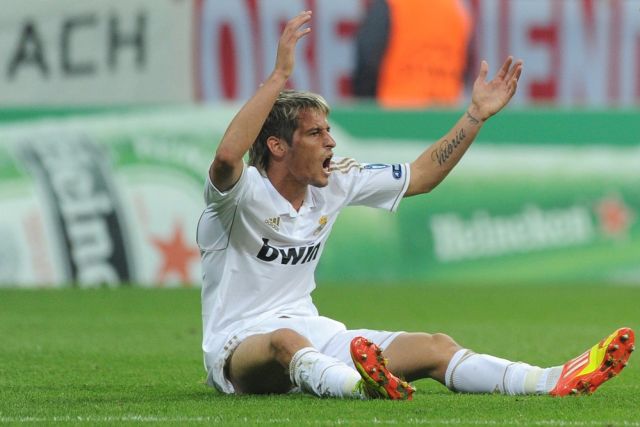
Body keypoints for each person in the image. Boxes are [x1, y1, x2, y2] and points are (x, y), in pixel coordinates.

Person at [197, 11, 634, 399]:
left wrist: (475, 116)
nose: (330, 141)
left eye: (328, 130)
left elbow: (421, 175)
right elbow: (226, 157)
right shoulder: (240, 193)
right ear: (277, 146)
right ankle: (359, 387)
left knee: (435, 347)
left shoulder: (336, 181)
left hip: (313, 334)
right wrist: (278, 77)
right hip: (239, 346)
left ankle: (550, 380)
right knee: (285, 341)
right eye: (315, 133)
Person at [352, 0, 472, 108]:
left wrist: (367, 109)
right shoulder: (456, 8)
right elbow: (465, 64)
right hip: (445, 112)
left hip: (396, 112)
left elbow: (368, 62)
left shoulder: (392, 4)